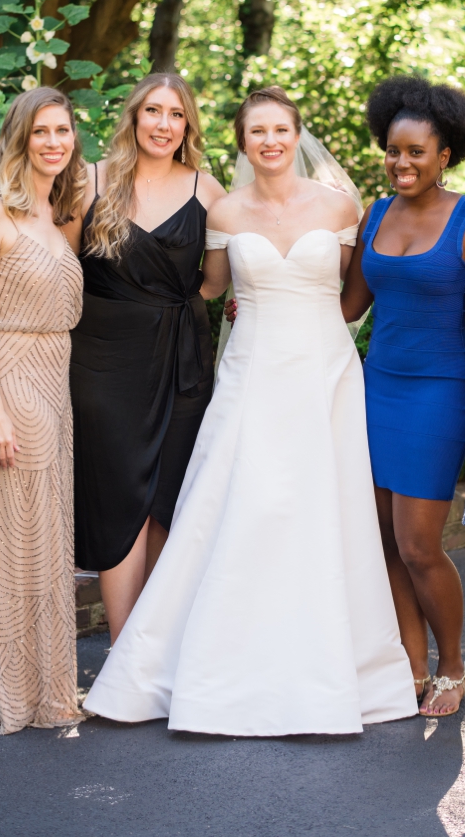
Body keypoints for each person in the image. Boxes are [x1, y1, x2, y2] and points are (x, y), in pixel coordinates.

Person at [83, 87, 418, 736]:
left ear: (298, 134)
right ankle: (206, 666)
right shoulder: (225, 209)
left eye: (280, 128)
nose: (269, 140)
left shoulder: (341, 205)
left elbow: (350, 292)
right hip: (251, 374)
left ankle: (336, 667)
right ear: (241, 141)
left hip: (325, 373)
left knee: (326, 511)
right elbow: (209, 286)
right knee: (238, 505)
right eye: (256, 131)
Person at [340, 76, 465, 716]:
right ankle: (410, 664)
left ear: (445, 155)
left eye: (416, 152)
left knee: (418, 544)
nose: (401, 162)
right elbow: (350, 307)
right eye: (393, 150)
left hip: (437, 395)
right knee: (382, 541)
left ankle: (453, 664)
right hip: (374, 386)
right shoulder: (374, 216)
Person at [69, 72, 226, 643]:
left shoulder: (207, 191)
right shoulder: (88, 182)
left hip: (183, 360)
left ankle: (155, 647)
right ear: (134, 117)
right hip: (103, 364)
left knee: (169, 498)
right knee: (119, 498)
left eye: (176, 114)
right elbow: (60, 268)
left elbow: (216, 283)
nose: (164, 124)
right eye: (154, 112)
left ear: (188, 125)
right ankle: (121, 646)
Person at [0, 87, 86, 735]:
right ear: (19, 138)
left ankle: (49, 686)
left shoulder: (57, 216)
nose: (54, 142)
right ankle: (12, 692)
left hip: (56, 384)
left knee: (47, 539)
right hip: (11, 380)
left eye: (63, 130)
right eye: (41, 131)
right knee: (16, 541)